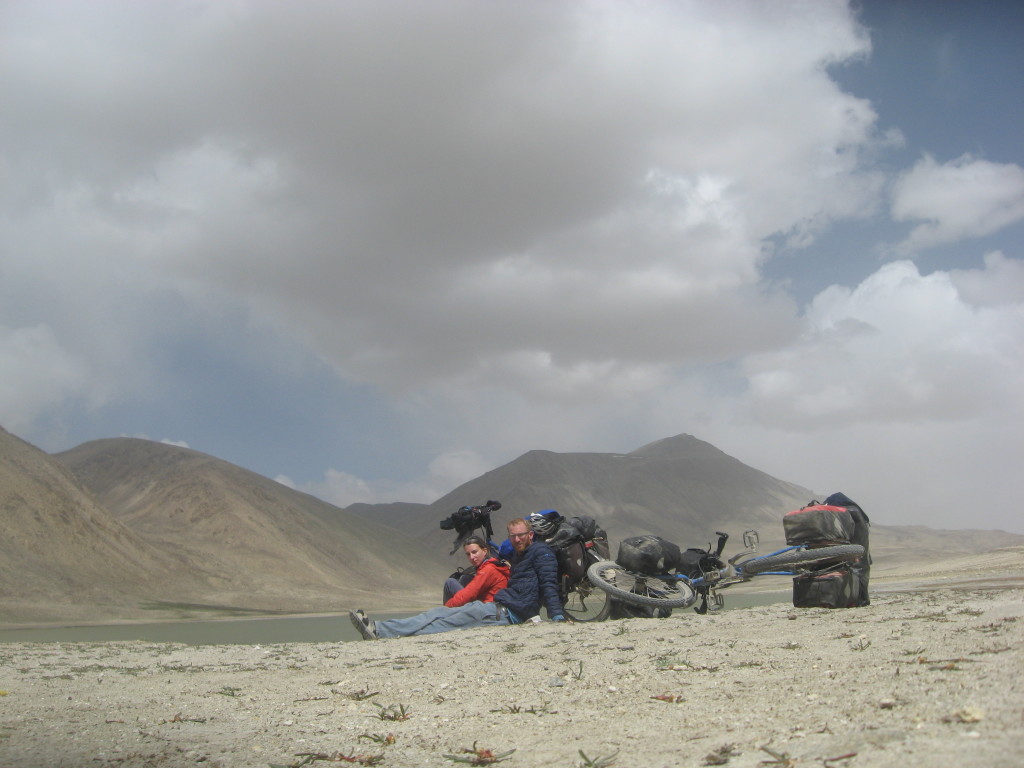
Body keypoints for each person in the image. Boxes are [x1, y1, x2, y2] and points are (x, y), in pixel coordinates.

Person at [349, 517, 565, 640]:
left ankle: (382, 631)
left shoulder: (541, 553)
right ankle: (379, 628)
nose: (517, 539)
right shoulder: (520, 556)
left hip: (507, 614)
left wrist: (556, 616)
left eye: (521, 535)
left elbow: (548, 583)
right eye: (513, 536)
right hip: (499, 607)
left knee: (446, 622)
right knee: (438, 613)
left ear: (531, 535)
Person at [442, 535, 510, 606]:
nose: (471, 557)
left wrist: (445, 609)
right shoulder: (492, 563)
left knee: (449, 583)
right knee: (465, 578)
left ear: (484, 551)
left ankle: (446, 614)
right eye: (468, 554)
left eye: (474, 552)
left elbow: (466, 596)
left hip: (487, 607)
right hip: (489, 602)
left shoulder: (488, 569)